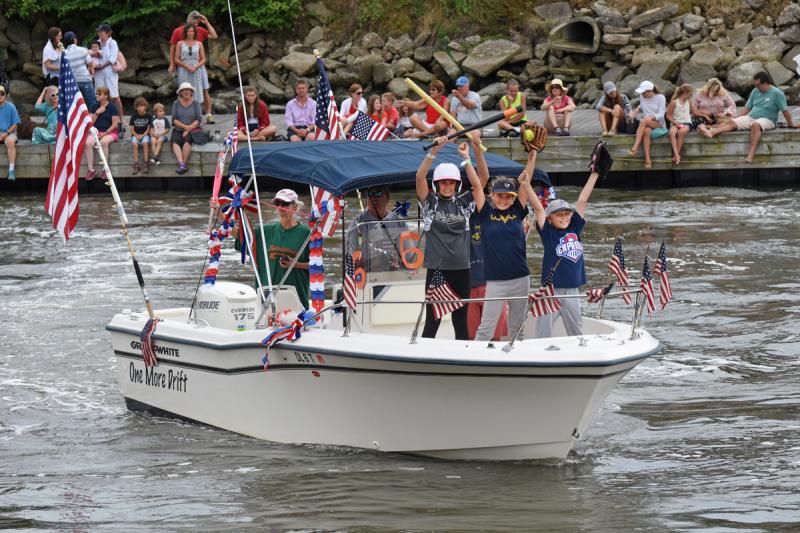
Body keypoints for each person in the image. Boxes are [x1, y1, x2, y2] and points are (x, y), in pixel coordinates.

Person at [527, 147, 603, 338]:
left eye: (566, 214)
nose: (564, 217)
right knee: (543, 335)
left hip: (572, 290)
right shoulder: (548, 232)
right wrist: (526, 184)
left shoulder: (574, 227)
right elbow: (537, 207)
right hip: (550, 290)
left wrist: (595, 173)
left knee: (576, 333)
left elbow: (583, 200)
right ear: (550, 218)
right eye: (558, 215)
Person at [416, 136, 484, 340]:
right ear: (437, 184)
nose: (447, 186)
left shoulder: (464, 203)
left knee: (460, 322)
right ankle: (424, 360)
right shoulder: (429, 204)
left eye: (451, 183)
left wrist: (467, 158)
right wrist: (435, 150)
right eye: (443, 182)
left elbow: (479, 185)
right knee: (432, 321)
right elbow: (420, 178)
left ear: (457, 184)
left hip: (462, 270)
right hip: (437, 270)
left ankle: (461, 360)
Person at [473, 172, 534, 342]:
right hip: (495, 281)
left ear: (514, 198)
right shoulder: (485, 214)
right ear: (492, 195)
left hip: (521, 278)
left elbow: (526, 178)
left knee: (517, 328)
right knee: (486, 329)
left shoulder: (518, 211)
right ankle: (475, 363)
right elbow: (477, 186)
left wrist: (533, 154)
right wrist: (467, 160)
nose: (504, 199)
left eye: (509, 196)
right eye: (500, 195)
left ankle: (518, 362)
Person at [698, 72, 798, 163]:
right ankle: (711, 132)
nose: (756, 87)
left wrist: (791, 124)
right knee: (732, 122)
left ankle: (751, 154)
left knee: (756, 125)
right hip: (751, 117)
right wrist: (736, 118)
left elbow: (785, 111)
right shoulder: (755, 91)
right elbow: (747, 108)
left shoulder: (777, 93)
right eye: (755, 85)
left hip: (767, 119)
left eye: (758, 85)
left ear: (766, 83)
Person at [251, 189, 311, 307]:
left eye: (284, 203)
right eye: (277, 204)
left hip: (296, 297)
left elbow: (318, 267)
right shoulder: (264, 231)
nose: (280, 207)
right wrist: (220, 213)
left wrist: (295, 264)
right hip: (268, 298)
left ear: (294, 207)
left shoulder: (307, 233)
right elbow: (240, 236)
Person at [169, 11, 217, 123]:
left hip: (198, 66)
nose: (196, 22)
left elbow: (214, 36)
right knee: (182, 89)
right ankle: (177, 116)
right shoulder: (178, 31)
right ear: (188, 20)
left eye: (198, 20)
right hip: (184, 66)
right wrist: (172, 64)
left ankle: (208, 114)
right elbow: (172, 47)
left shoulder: (199, 30)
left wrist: (206, 22)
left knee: (204, 89)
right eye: (194, 20)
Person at [345, 186, 406, 273]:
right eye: (370, 194)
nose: (374, 198)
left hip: (396, 275)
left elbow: (408, 252)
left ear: (387, 197)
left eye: (378, 193)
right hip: (369, 278)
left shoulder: (399, 222)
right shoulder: (356, 226)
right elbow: (354, 261)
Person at [627, 80, 667, 169]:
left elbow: (661, 114)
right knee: (646, 131)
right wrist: (634, 112)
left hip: (658, 123)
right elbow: (641, 106)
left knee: (644, 120)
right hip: (646, 124)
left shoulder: (661, 98)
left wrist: (653, 117)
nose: (642, 94)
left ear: (649, 91)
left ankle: (635, 146)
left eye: (644, 92)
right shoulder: (642, 97)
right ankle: (648, 160)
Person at [84, 86, 119, 181]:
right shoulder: (94, 106)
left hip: (110, 132)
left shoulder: (112, 107)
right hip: (96, 131)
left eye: (99, 94)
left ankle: (105, 169)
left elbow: (115, 124)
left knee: (104, 142)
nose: (97, 95)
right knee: (87, 143)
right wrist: (96, 113)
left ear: (106, 96)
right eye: (97, 93)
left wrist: (105, 133)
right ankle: (91, 170)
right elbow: (90, 123)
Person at [92, 24, 124, 125]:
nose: (99, 33)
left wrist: (102, 66)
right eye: (99, 32)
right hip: (99, 75)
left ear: (108, 33)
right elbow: (91, 54)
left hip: (110, 74)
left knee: (114, 96)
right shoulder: (97, 43)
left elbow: (112, 58)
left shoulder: (112, 43)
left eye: (101, 32)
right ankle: (104, 120)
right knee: (100, 96)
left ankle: (121, 119)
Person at [171, 82, 203, 174]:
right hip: (179, 128)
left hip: (193, 129)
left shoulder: (196, 103)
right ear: (180, 92)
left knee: (187, 142)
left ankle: (183, 164)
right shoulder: (176, 103)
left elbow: (198, 119)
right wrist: (185, 127)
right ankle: (181, 164)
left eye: (188, 90)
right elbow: (174, 120)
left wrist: (189, 129)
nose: (186, 92)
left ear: (191, 92)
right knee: (175, 142)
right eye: (184, 90)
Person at [62, 31, 97, 110]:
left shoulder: (64, 53)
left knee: (75, 104)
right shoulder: (83, 50)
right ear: (74, 39)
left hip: (73, 82)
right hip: (85, 79)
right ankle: (93, 121)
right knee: (91, 102)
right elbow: (90, 64)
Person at [174, 24, 205, 107]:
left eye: (192, 31)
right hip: (184, 69)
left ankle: (196, 111)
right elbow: (176, 59)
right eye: (189, 31)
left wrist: (196, 66)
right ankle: (182, 110)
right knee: (184, 89)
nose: (190, 33)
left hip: (196, 69)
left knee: (196, 90)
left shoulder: (199, 44)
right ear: (185, 32)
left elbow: (203, 59)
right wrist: (186, 66)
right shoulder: (180, 43)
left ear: (195, 32)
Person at [666, 84, 695, 165]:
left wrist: (705, 115)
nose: (691, 95)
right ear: (686, 92)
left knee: (681, 132)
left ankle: (677, 155)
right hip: (676, 122)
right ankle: (677, 155)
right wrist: (675, 122)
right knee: (672, 133)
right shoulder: (674, 102)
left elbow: (694, 112)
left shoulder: (689, 102)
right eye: (690, 93)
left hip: (686, 122)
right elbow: (668, 115)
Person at [0, 86, 20, 181]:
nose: (0, 96)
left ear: (5, 95)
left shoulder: (11, 106)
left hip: (10, 132)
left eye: (2, 94)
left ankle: (11, 170)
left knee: (11, 142)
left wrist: (6, 133)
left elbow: (15, 124)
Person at [129, 96, 152, 175]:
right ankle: (136, 164)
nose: (140, 108)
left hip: (145, 134)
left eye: (141, 106)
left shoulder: (149, 116)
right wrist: (136, 135)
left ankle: (146, 163)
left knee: (145, 143)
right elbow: (131, 128)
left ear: (145, 106)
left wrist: (142, 135)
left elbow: (149, 128)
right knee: (134, 144)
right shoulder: (134, 116)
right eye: (138, 106)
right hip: (135, 135)